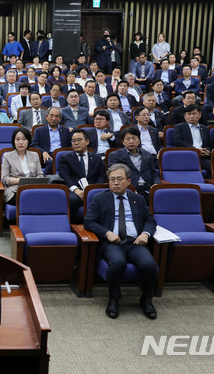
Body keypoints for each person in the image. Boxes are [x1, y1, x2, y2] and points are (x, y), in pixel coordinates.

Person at [84, 163, 158, 320]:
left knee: (150, 265)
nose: (115, 183)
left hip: (135, 242)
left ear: (129, 181)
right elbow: (89, 222)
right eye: (112, 179)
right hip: (113, 243)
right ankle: (114, 299)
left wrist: (145, 234)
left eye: (119, 179)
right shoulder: (99, 198)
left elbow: (150, 220)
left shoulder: (137, 199)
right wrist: (106, 233)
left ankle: (146, 299)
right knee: (117, 263)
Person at [58, 129, 106, 222]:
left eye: (79, 140)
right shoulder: (65, 158)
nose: (76, 143)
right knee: (71, 200)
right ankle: (71, 225)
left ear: (87, 141)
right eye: (74, 141)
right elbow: (65, 177)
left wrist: (93, 190)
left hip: (93, 189)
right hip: (75, 191)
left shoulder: (96, 158)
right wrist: (76, 190)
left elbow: (101, 176)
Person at [107, 127, 160, 202]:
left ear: (139, 140)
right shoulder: (115, 155)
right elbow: (112, 175)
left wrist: (156, 184)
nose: (131, 141)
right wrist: (128, 189)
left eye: (134, 138)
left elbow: (154, 173)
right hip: (128, 189)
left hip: (148, 189)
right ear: (122, 141)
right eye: (128, 139)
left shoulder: (147, 154)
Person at [0, 127, 43, 205]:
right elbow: (5, 179)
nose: (21, 142)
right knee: (29, 201)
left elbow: (40, 175)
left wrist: (31, 183)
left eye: (24, 139)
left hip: (33, 189)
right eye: (18, 139)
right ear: (14, 141)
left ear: (28, 141)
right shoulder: (7, 156)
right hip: (15, 190)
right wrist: (23, 181)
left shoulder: (34, 155)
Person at [30, 107, 71, 175]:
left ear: (60, 118)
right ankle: (43, 180)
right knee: (52, 162)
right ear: (46, 117)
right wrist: (43, 152)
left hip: (62, 155)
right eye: (51, 116)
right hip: (47, 156)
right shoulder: (39, 130)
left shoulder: (66, 131)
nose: (54, 118)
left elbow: (69, 145)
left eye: (56, 116)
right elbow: (34, 145)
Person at [173, 105, 212, 175]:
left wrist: (207, 151)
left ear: (200, 115)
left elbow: (208, 144)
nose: (191, 116)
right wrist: (196, 150)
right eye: (189, 114)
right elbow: (178, 142)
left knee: (213, 167)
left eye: (194, 114)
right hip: (187, 156)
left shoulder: (205, 128)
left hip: (202, 157)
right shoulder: (179, 127)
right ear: (185, 116)